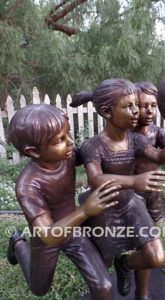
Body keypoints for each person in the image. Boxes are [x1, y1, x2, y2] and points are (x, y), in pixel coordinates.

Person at [70, 78, 165, 300]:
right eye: (129, 106)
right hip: (103, 209)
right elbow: (96, 178)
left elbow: (159, 156)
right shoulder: (94, 146)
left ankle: (125, 264)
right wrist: (134, 181)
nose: (136, 112)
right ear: (107, 112)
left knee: (156, 257)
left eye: (137, 105)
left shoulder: (135, 139)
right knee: (101, 264)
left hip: (131, 204)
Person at [6, 103, 121, 299]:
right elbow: (49, 235)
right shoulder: (28, 185)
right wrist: (85, 211)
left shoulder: (66, 156)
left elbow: (90, 151)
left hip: (73, 230)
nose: (70, 142)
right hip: (47, 238)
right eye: (60, 139)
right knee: (38, 289)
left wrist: (115, 122)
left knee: (104, 286)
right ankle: (18, 243)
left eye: (68, 134)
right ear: (34, 152)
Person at [133, 81, 165, 299]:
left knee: (147, 245)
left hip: (153, 194)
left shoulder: (157, 132)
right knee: (131, 241)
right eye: (144, 105)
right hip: (130, 195)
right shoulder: (124, 133)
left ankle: (142, 293)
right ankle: (127, 274)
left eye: (153, 106)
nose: (149, 111)